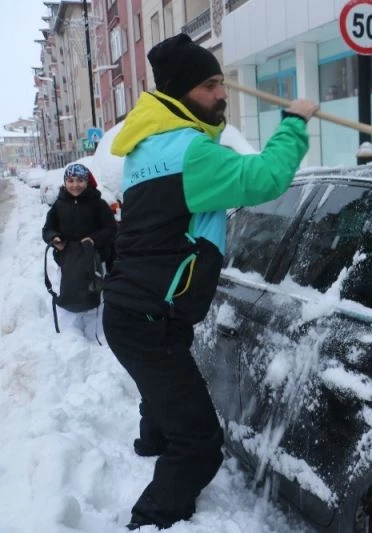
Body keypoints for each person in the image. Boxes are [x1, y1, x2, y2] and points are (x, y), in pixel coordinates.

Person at [101, 33, 318, 531]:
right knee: (200, 444)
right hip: (148, 315)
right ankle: (152, 519)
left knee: (164, 387)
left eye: (222, 83)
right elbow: (266, 179)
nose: (222, 94)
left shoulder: (149, 146)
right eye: (210, 85)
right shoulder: (193, 154)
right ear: (180, 92)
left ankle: (151, 442)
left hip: (140, 308)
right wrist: (294, 122)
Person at [42, 162, 117, 311]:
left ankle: (96, 306)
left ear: (87, 182)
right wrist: (54, 238)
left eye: (80, 180)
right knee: (71, 285)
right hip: (68, 255)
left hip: (93, 254)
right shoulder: (59, 204)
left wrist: (94, 239)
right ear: (65, 182)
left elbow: (111, 228)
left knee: (92, 287)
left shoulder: (98, 203)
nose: (75, 185)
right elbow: (47, 229)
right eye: (70, 181)